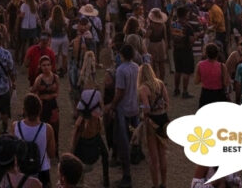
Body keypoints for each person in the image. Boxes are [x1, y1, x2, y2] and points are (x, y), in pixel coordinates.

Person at [70, 51, 108, 186]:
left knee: (76, 152)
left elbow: (78, 105)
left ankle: (78, 180)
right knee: (104, 153)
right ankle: (106, 180)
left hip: (83, 122)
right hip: (94, 124)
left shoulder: (81, 79)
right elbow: (101, 108)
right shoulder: (97, 89)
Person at [105, 42, 139, 188]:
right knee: (132, 137)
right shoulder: (136, 67)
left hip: (123, 110)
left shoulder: (120, 70)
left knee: (123, 141)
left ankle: (127, 175)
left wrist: (112, 106)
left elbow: (120, 92)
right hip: (134, 108)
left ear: (122, 54)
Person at [13, 93, 55, 188]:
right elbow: (52, 154)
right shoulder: (47, 129)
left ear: (24, 110)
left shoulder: (15, 126)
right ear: (40, 110)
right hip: (42, 170)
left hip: (21, 170)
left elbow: (13, 150)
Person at [138, 63, 169, 188]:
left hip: (152, 121)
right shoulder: (160, 84)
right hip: (163, 119)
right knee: (163, 154)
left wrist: (140, 108)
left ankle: (155, 184)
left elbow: (146, 108)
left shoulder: (143, 89)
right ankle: (164, 183)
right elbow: (167, 102)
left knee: (153, 156)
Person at [194, 43, 229, 108]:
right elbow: (225, 83)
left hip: (205, 94)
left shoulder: (200, 65)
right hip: (219, 94)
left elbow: (196, 81)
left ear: (206, 53)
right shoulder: (222, 66)